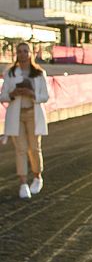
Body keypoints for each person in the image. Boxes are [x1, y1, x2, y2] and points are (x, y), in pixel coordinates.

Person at [1, 42, 50, 199]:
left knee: (34, 148)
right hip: (17, 115)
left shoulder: (39, 73)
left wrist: (32, 94)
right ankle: (23, 183)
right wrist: (13, 93)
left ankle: (37, 177)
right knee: (20, 149)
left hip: (33, 114)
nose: (22, 54)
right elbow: (3, 96)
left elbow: (45, 96)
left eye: (25, 51)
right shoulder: (10, 73)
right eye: (19, 51)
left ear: (30, 53)